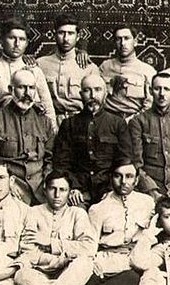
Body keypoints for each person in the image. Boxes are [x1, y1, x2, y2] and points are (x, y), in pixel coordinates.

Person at [9, 170, 97, 285]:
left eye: (62, 190)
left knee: (86, 263)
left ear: (70, 192)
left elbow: (89, 247)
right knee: (21, 276)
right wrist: (61, 259)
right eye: (52, 189)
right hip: (41, 272)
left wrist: (50, 243)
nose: (57, 195)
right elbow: (26, 250)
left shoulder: (78, 214)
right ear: (44, 189)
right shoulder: (33, 212)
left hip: (68, 271)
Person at [71, 160, 155, 285]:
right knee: (88, 277)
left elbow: (166, 217)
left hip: (131, 263)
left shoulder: (147, 203)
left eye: (129, 176)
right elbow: (90, 245)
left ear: (136, 180)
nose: (124, 182)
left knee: (133, 278)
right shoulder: (98, 208)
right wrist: (90, 262)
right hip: (104, 264)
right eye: (118, 176)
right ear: (111, 178)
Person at [53, 74, 132, 207]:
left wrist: (112, 189)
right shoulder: (69, 124)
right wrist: (73, 187)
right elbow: (61, 162)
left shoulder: (118, 123)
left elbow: (124, 161)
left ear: (105, 93)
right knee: (75, 216)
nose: (92, 95)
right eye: (87, 90)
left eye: (97, 90)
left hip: (108, 191)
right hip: (79, 192)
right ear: (80, 94)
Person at [0, 69, 55, 205]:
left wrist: (48, 183)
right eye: (21, 87)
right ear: (11, 89)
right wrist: (6, 184)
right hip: (10, 190)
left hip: (41, 191)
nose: (27, 93)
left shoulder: (45, 122)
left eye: (31, 88)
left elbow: (50, 159)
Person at [129, 73, 170, 204]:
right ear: (150, 91)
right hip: (149, 193)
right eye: (157, 88)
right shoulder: (138, 122)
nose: (162, 94)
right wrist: (153, 193)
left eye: (166, 89)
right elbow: (136, 164)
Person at [37, 13, 100, 126]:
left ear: (78, 36)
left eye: (70, 33)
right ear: (54, 35)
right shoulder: (40, 64)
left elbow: (96, 103)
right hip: (47, 122)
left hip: (78, 124)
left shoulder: (89, 67)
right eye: (61, 33)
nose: (66, 39)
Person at [0, 17, 57, 131]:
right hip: (3, 127)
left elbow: (47, 106)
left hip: (31, 128)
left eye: (22, 39)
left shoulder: (34, 70)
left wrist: (52, 132)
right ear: (2, 40)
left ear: (27, 43)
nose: (17, 44)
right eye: (12, 38)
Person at [100, 24, 156, 121]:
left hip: (135, 120)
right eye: (118, 39)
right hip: (108, 120)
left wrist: (133, 120)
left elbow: (150, 104)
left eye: (127, 38)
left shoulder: (147, 71)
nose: (122, 43)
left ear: (135, 42)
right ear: (114, 42)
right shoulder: (105, 67)